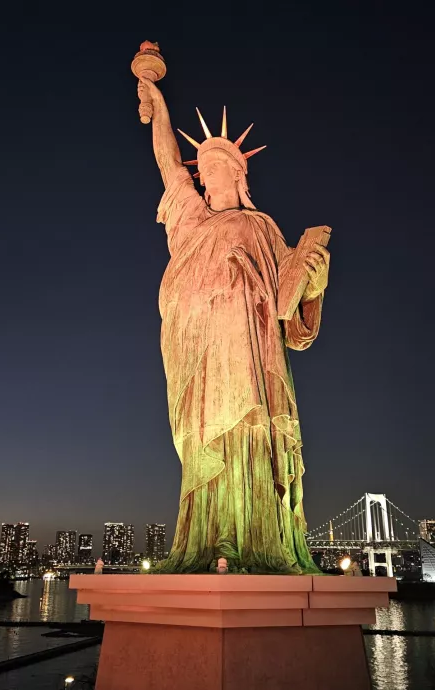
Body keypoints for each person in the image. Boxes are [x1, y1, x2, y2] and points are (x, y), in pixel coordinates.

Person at [139, 78, 330, 574]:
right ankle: (209, 536)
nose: (204, 178)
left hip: (248, 345)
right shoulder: (190, 219)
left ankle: (254, 536)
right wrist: (157, 102)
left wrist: (314, 281)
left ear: (238, 173)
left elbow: (293, 317)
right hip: (195, 342)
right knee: (204, 436)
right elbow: (168, 163)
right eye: (201, 170)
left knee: (247, 427)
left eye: (213, 168)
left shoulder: (262, 227)